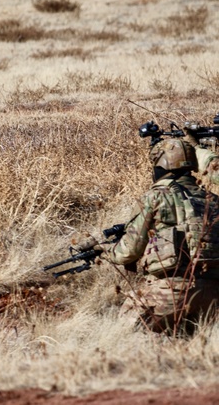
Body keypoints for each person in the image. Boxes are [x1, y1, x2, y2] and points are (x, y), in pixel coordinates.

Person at [89, 136, 219, 333]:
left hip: (168, 293)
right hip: (213, 296)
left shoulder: (155, 196)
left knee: (123, 336)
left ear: (162, 165)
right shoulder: (213, 200)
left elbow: (128, 252)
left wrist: (102, 247)